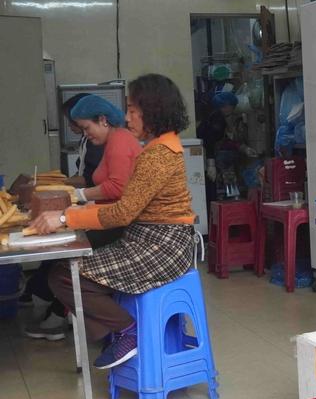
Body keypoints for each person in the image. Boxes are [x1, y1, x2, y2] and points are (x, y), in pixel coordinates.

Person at [31, 73, 195, 369]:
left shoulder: (158, 154)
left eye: (133, 110)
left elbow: (122, 212)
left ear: (153, 111)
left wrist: (66, 216)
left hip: (163, 246)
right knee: (70, 270)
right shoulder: (159, 147)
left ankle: (127, 330)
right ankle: (117, 330)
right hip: (149, 239)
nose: (128, 118)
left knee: (65, 275)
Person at [24, 95, 142, 341]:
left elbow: (117, 188)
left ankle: (123, 330)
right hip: (107, 216)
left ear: (103, 120)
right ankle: (105, 332)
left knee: (65, 266)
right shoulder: (113, 141)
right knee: (62, 257)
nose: (85, 134)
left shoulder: (120, 140)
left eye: (86, 128)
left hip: (119, 223)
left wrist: (76, 194)